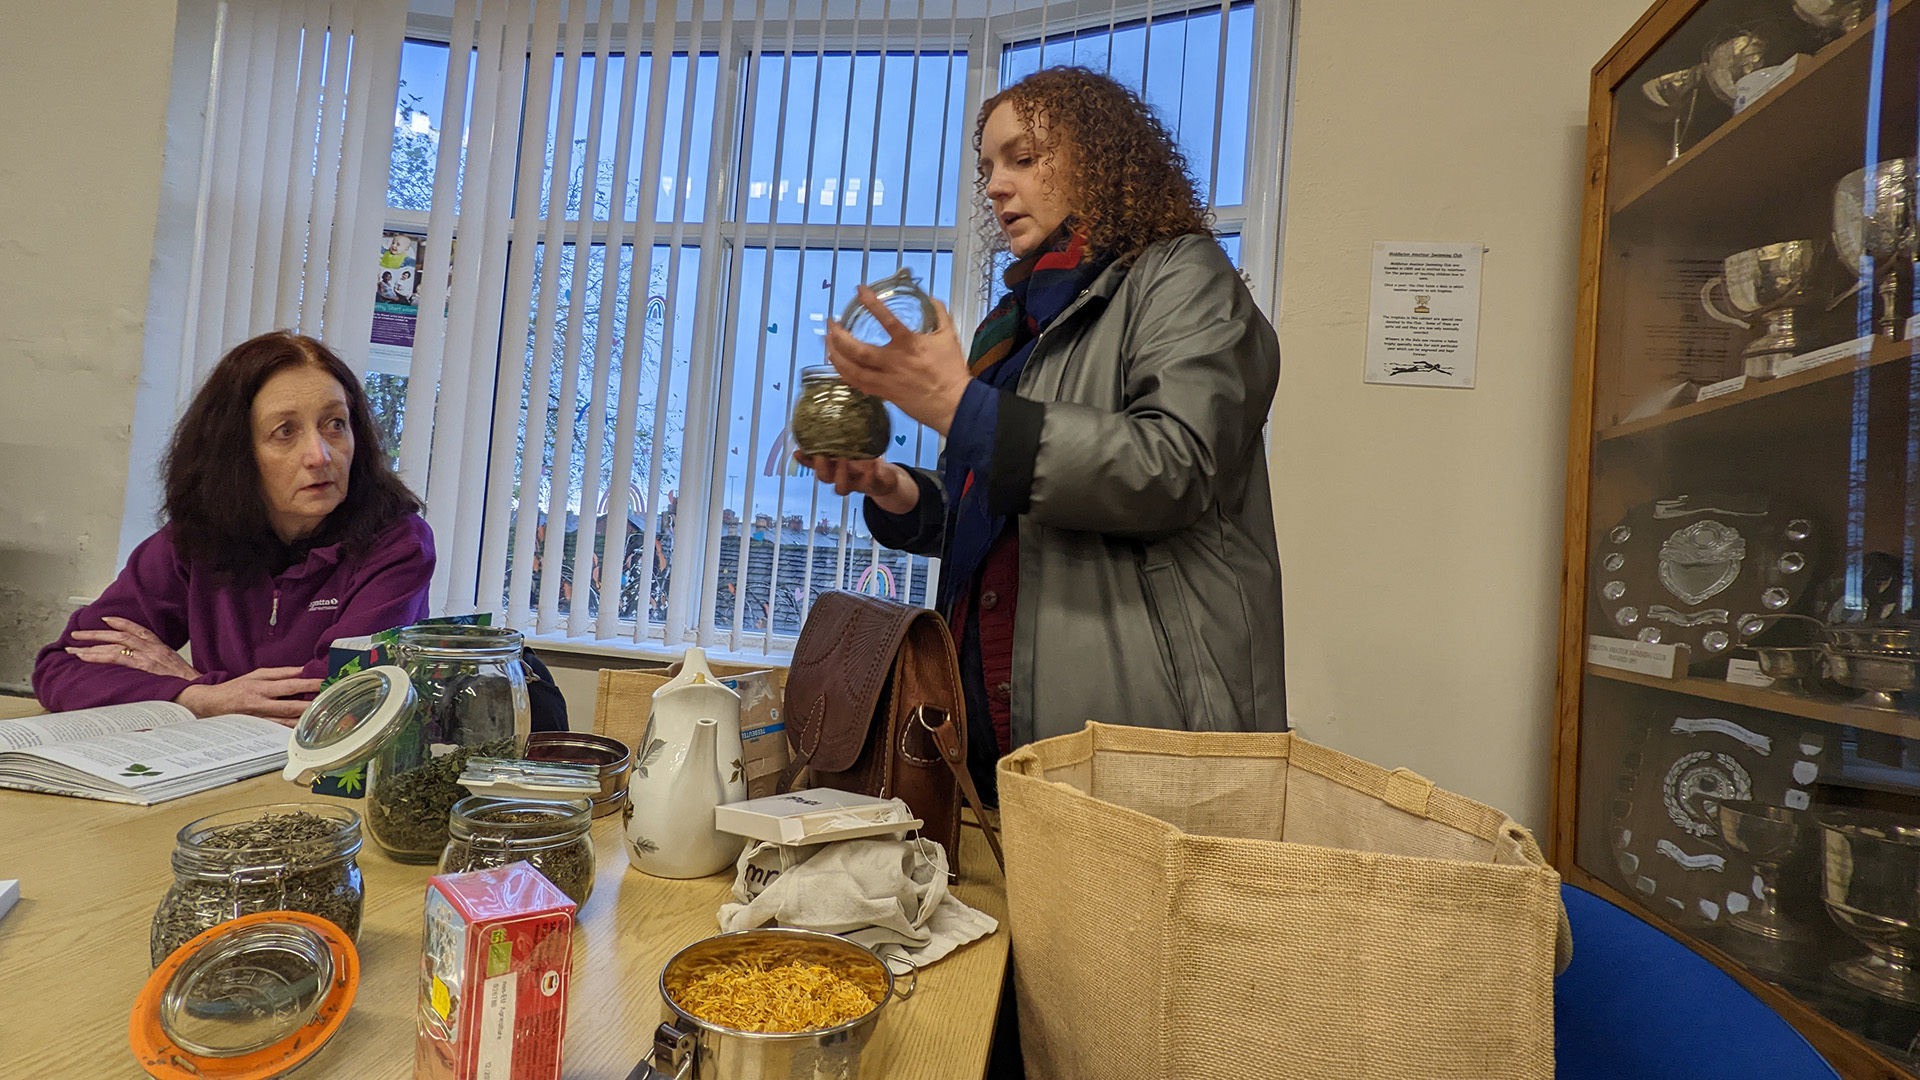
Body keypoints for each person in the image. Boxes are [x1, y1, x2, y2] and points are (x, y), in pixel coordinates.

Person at [802, 67, 1287, 802]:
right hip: (993, 728)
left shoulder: (1184, 277)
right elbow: (1009, 506)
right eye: (988, 167)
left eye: (1022, 159)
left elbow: (1170, 468)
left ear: (1096, 160)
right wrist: (901, 491)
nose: (996, 187)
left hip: (1139, 740)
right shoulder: (1015, 325)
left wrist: (960, 409)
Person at [33, 332, 434, 722]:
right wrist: (199, 696)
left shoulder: (398, 543)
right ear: (235, 452)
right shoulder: (191, 541)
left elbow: (343, 700)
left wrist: (191, 681)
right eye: (285, 431)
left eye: (335, 424)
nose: (320, 454)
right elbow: (62, 669)